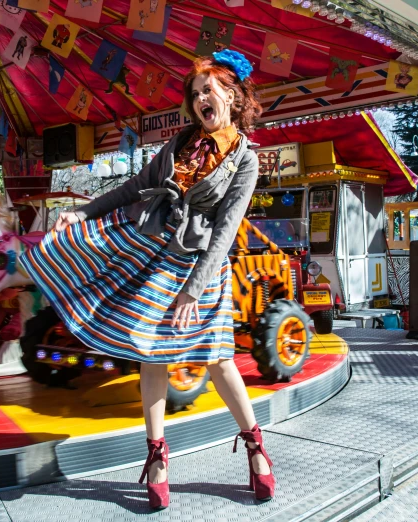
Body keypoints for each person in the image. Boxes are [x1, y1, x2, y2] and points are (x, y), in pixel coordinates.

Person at [19, 50, 274, 510]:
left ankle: (255, 446)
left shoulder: (245, 161)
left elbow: (225, 231)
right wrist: (82, 211)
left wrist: (192, 291)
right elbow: (133, 188)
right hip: (156, 253)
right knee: (150, 355)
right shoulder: (179, 144)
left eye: (208, 91)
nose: (200, 100)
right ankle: (157, 457)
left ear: (232, 96)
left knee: (218, 361)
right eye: (195, 94)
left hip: (204, 270)